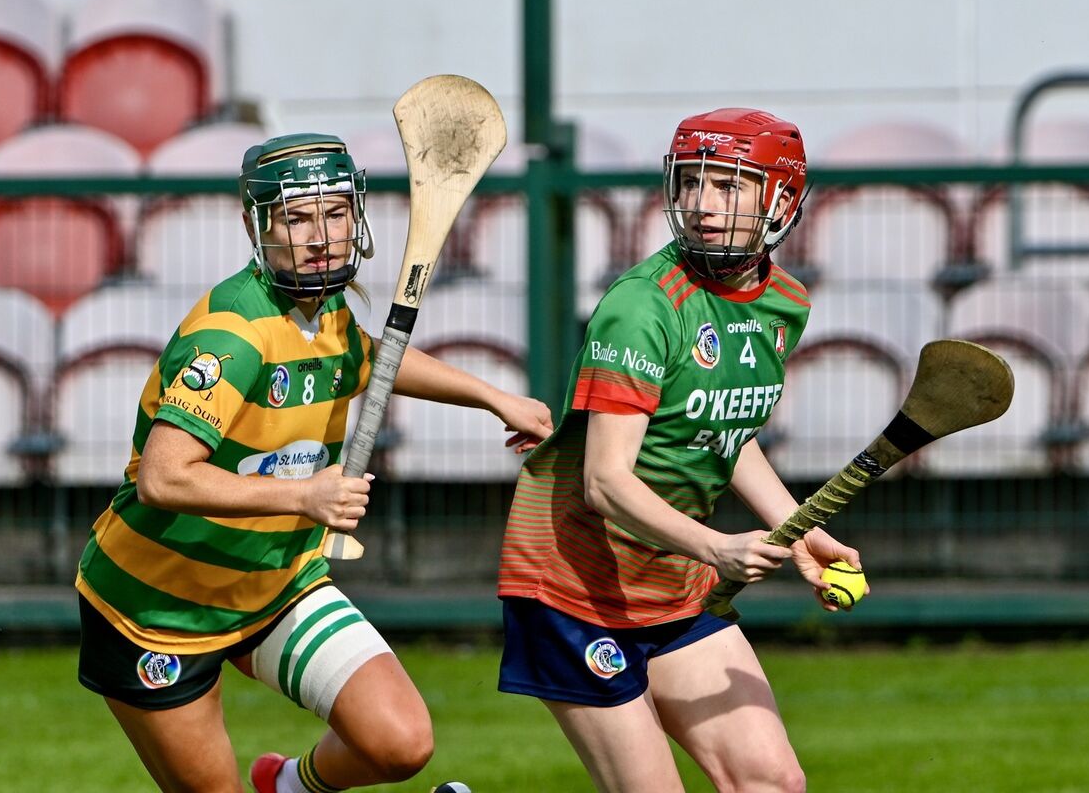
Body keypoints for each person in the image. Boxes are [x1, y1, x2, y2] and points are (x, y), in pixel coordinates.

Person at [74, 132, 553, 793]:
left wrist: (494, 397)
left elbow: (371, 358)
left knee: (400, 745)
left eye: (335, 213)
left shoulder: (326, 310)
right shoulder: (233, 336)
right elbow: (164, 478)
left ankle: (291, 787)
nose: (321, 234)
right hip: (159, 610)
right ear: (256, 225)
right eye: (298, 218)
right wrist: (304, 498)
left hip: (277, 584)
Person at [497, 108, 867, 793]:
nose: (701, 204)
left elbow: (723, 430)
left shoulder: (784, 302)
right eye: (692, 182)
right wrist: (716, 547)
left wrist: (805, 531)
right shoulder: (642, 306)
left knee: (772, 781)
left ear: (780, 200)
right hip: (572, 588)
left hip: (671, 582)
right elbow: (604, 482)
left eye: (727, 187)